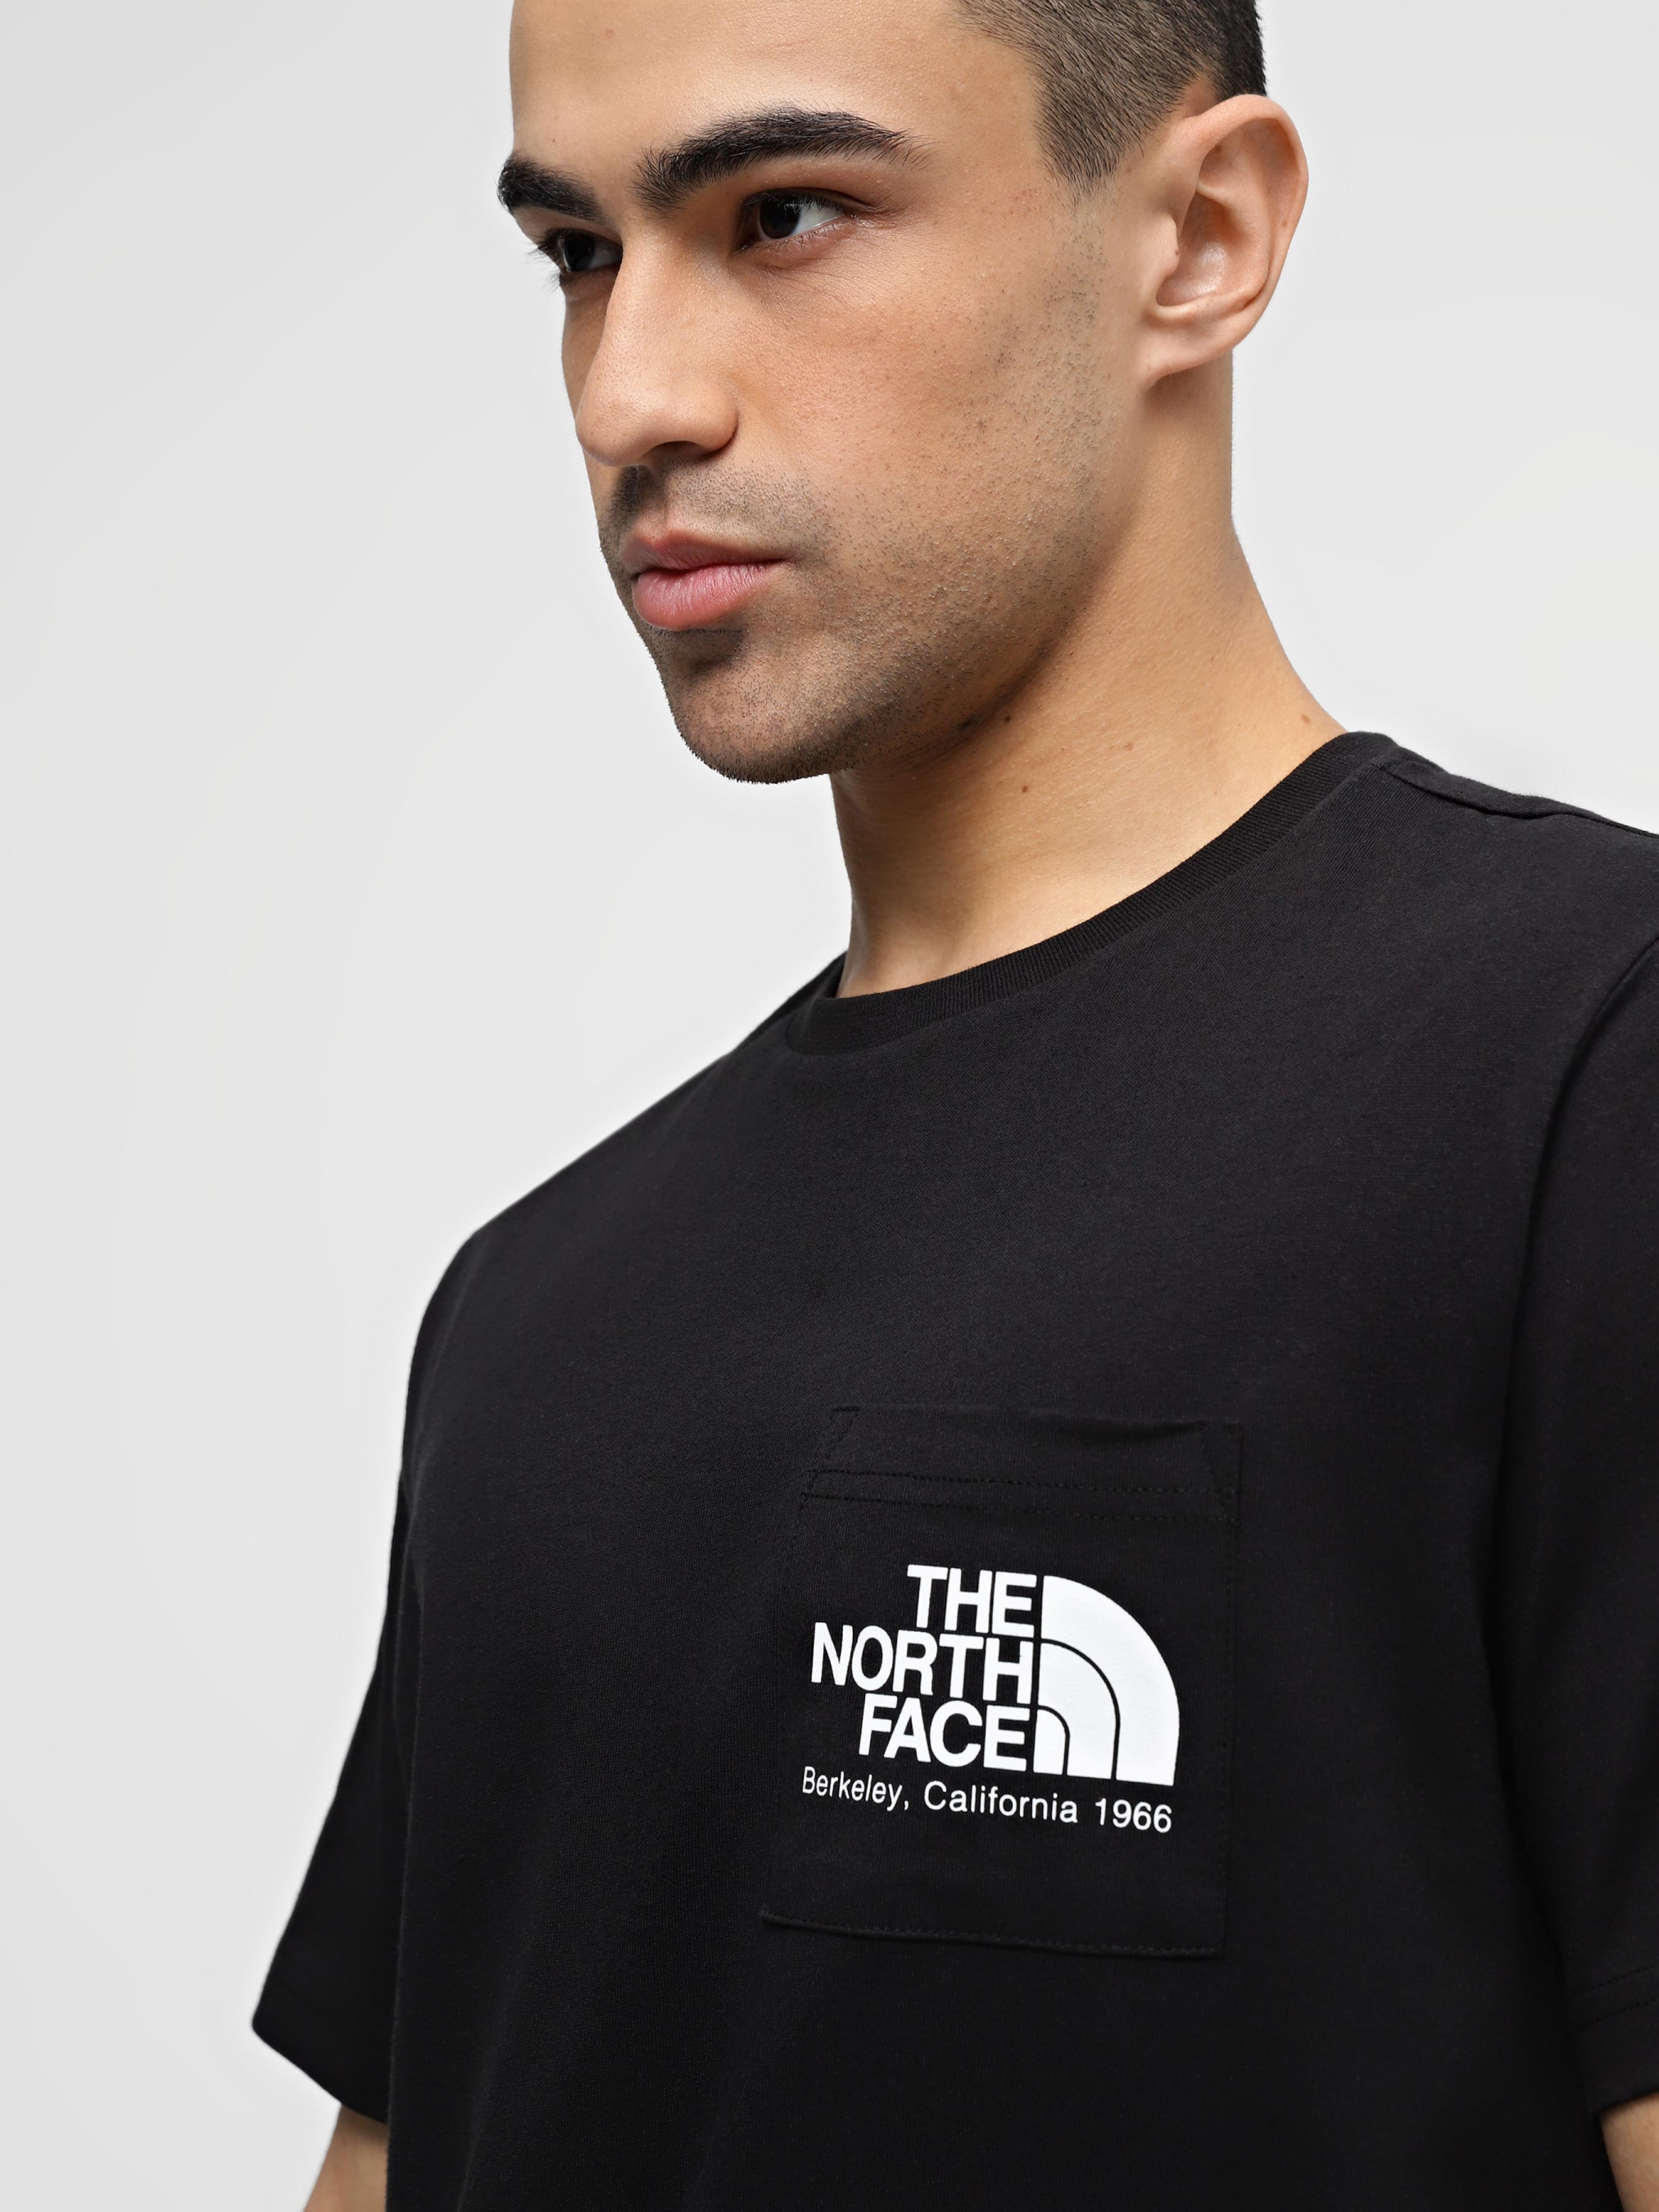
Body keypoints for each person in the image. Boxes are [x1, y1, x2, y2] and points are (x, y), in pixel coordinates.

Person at [256, 0, 1659, 2205]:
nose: (629, 396)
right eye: (579, 256)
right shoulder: (531, 1320)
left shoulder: (1589, 1076)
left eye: (784, 214)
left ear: (1199, 235)